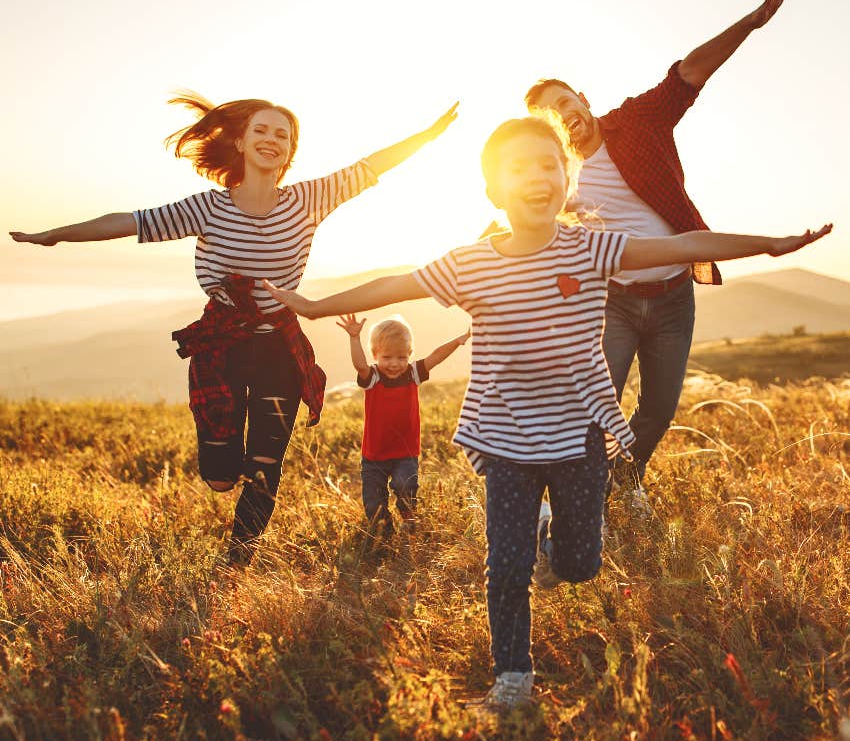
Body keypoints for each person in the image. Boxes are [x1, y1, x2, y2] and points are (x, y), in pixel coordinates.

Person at [261, 114, 830, 709]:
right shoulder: (471, 263)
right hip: (506, 438)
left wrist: (768, 243)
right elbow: (393, 286)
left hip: (581, 434)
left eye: (549, 164)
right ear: (493, 190)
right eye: (519, 167)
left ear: (567, 179)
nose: (537, 176)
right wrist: (315, 304)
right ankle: (512, 677)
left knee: (580, 566)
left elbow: (683, 246)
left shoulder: (590, 247)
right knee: (505, 567)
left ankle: (551, 539)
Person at [10, 92, 458, 566]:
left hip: (279, 349)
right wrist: (56, 234)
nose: (272, 140)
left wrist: (428, 136)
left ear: (290, 152)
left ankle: (236, 561)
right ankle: (224, 471)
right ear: (241, 142)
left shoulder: (309, 199)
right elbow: (129, 221)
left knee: (266, 466)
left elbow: (371, 167)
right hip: (223, 346)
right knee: (221, 476)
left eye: (282, 135)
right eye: (261, 131)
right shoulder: (208, 207)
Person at [524, 0, 795, 500]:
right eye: (551, 119)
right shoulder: (558, 173)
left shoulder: (638, 120)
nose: (565, 118)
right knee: (593, 406)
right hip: (615, 303)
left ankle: (626, 479)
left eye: (564, 103)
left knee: (659, 410)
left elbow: (688, 74)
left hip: (673, 298)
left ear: (582, 98)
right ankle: (584, 492)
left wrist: (749, 24)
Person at [336, 313, 469, 540]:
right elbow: (359, 365)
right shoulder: (373, 377)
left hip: (405, 451)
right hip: (374, 454)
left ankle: (409, 518)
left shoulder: (412, 373)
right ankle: (384, 534)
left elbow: (435, 356)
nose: (394, 363)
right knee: (373, 504)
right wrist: (354, 337)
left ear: (409, 355)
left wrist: (458, 341)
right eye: (387, 357)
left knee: (405, 485)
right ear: (375, 355)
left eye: (401, 357)